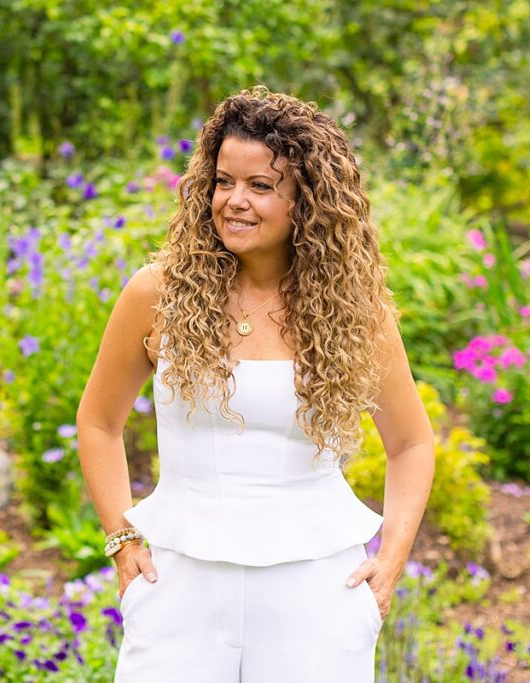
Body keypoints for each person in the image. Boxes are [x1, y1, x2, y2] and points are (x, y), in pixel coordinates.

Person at [75, 86, 435, 682]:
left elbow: (412, 444)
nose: (234, 201)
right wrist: (121, 539)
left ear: (308, 201)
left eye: (261, 186)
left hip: (315, 591)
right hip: (178, 587)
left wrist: (391, 561)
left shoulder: (354, 312)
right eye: (222, 182)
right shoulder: (156, 294)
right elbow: (98, 422)